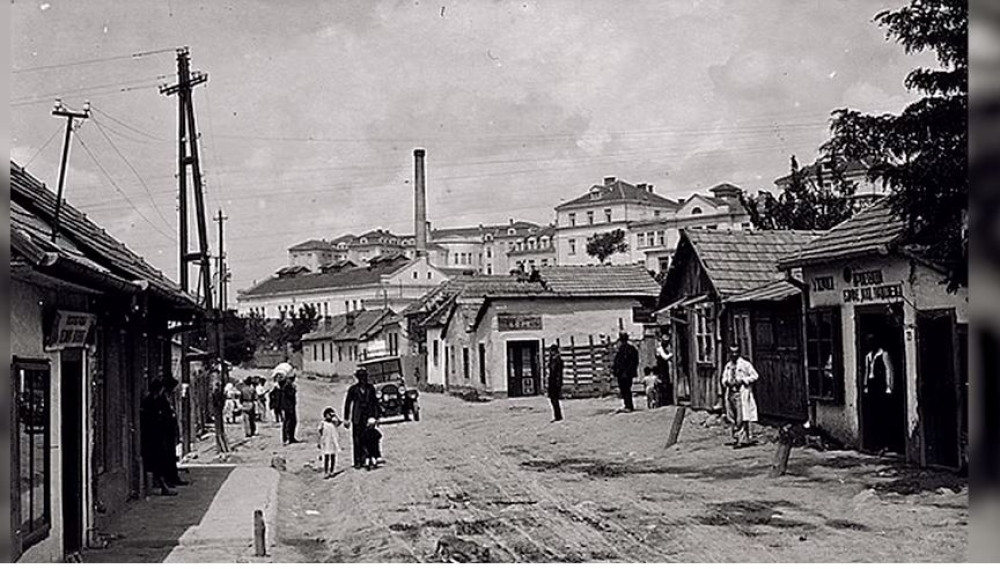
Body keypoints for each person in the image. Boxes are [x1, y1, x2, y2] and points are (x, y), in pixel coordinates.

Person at [863, 334, 896, 453]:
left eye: (872, 341)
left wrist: (889, 387)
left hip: (880, 385)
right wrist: (865, 385)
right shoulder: (868, 356)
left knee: (883, 415)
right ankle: (874, 443)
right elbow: (867, 371)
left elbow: (889, 370)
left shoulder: (884, 354)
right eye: (868, 342)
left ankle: (885, 443)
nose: (870, 344)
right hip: (872, 386)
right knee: (873, 415)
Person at [140, 380, 175, 496]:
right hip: (153, 437)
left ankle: (153, 488)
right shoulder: (152, 402)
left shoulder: (152, 401)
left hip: (153, 436)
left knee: (154, 462)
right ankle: (155, 488)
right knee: (156, 462)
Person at [721, 345, 759, 448]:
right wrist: (726, 382)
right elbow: (723, 378)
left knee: (741, 417)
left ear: (739, 353)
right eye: (732, 352)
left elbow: (755, 376)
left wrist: (743, 380)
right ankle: (738, 437)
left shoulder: (745, 364)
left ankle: (741, 440)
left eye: (736, 352)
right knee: (732, 417)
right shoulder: (728, 366)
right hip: (730, 393)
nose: (734, 354)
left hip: (741, 393)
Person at [344, 368, 381, 469]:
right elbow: (348, 403)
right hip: (357, 418)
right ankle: (358, 461)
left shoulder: (371, 388)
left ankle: (369, 457)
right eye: (361, 377)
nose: (363, 379)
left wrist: (377, 417)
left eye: (364, 377)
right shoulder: (353, 389)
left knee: (370, 439)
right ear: (358, 378)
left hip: (368, 418)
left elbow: (375, 403)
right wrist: (346, 418)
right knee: (357, 439)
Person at [612, 332, 639, 412]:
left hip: (623, 373)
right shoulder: (632, 348)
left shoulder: (622, 350)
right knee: (627, 389)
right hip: (629, 373)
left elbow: (619, 363)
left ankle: (628, 406)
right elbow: (635, 361)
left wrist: (617, 371)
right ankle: (629, 405)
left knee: (625, 389)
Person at [317, 407, 343, 479]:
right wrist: (319, 442)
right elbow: (319, 433)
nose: (330, 416)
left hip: (333, 442)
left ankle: (332, 471)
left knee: (333, 457)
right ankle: (326, 472)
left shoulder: (334, 423)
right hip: (326, 442)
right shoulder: (323, 423)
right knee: (326, 457)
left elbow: (340, 422)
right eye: (329, 414)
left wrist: (335, 416)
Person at [210, 370, 230, 454]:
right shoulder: (215, 390)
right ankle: (221, 447)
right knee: (218, 429)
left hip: (218, 409)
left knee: (219, 429)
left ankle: (222, 447)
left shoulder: (218, 390)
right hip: (217, 409)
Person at [280, 372, 300, 444]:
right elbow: (290, 394)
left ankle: (291, 437)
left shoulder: (287, 385)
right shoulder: (287, 386)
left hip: (289, 406)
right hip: (288, 407)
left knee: (292, 422)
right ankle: (287, 438)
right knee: (289, 422)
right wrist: (294, 389)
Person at [546, 344, 564, 422]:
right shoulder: (552, 360)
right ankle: (557, 415)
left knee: (555, 399)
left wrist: (558, 383)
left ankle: (558, 416)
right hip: (552, 381)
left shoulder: (558, 360)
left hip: (555, 381)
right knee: (552, 399)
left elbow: (559, 373)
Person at [655, 337, 674, 406]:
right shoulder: (660, 349)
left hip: (665, 368)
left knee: (667, 382)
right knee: (663, 383)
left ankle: (667, 400)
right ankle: (663, 401)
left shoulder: (665, 349)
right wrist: (672, 354)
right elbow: (665, 357)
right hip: (661, 368)